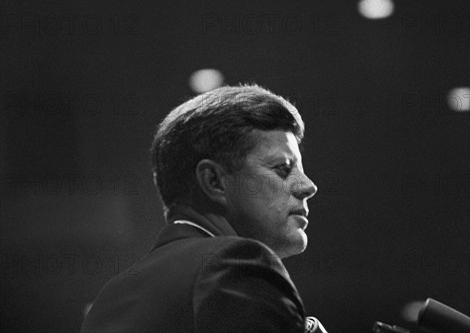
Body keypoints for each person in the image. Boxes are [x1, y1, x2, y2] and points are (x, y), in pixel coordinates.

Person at [81, 84, 319, 333]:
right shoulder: (233, 265)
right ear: (213, 181)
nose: (308, 186)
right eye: (282, 168)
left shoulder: (112, 296)